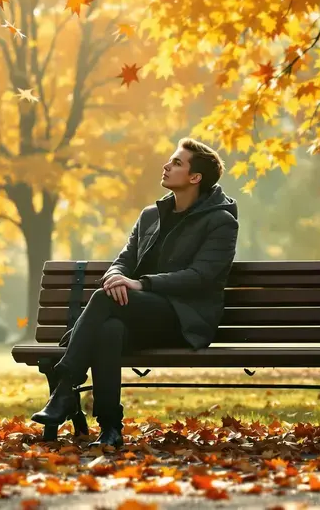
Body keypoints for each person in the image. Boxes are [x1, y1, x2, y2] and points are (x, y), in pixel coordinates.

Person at [30, 137, 239, 449]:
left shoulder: (221, 221)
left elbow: (202, 277)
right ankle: (110, 428)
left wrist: (142, 284)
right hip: (138, 315)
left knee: (103, 299)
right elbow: (123, 261)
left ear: (195, 178)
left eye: (177, 163)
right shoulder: (151, 216)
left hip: (183, 320)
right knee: (109, 330)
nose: (167, 166)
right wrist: (116, 276)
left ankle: (64, 390)